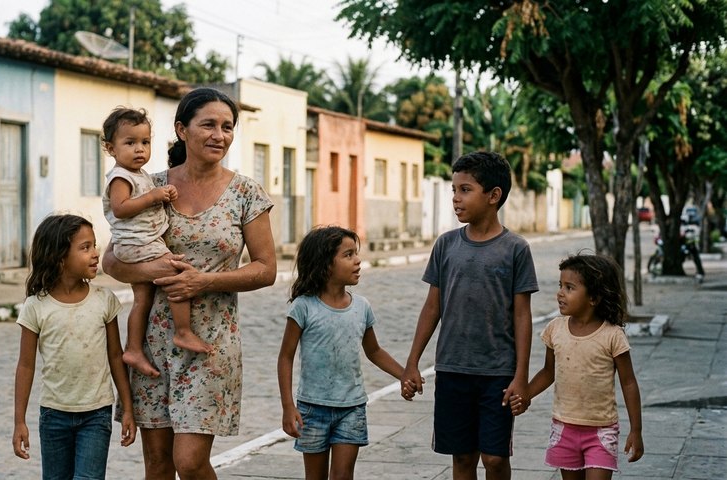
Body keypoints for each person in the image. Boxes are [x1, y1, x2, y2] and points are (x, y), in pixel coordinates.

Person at [102, 87, 276, 480]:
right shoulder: (148, 186)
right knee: (158, 464)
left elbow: (266, 269)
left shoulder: (246, 192)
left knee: (190, 462)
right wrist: (159, 272)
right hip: (151, 343)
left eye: (227, 127)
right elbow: (112, 260)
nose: (219, 135)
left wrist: (203, 282)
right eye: (209, 125)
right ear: (182, 130)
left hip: (210, 343)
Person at [400, 151, 539, 480]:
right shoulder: (446, 245)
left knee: (494, 459)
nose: (456, 198)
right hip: (452, 369)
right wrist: (412, 361)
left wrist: (521, 376)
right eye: (454, 190)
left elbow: (522, 317)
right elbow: (432, 307)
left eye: (465, 190)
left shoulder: (515, 249)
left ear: (493, 196)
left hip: (497, 373)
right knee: (462, 458)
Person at [278, 226, 411, 480]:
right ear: (325, 264)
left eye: (356, 253)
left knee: (342, 476)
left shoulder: (362, 307)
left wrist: (404, 375)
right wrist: (287, 406)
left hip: (352, 408)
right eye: (348, 255)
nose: (357, 260)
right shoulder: (303, 307)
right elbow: (286, 357)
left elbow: (374, 351)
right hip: (312, 409)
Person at [12, 214, 136, 478]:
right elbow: (25, 366)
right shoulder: (36, 306)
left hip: (96, 414)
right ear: (59, 257)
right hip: (53, 415)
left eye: (94, 245)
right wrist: (19, 421)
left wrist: (127, 407)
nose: (95, 253)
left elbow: (116, 356)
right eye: (85, 247)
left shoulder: (104, 300)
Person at [101, 107, 211, 379]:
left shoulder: (140, 174)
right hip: (138, 244)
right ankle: (183, 331)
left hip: (140, 242)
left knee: (142, 297)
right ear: (111, 148)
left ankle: (133, 349)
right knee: (176, 271)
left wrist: (161, 194)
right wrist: (153, 197)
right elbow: (120, 209)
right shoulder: (120, 177)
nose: (139, 149)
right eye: (130, 143)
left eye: (145, 142)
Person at [519, 253, 644, 479]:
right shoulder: (555, 329)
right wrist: (525, 394)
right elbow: (548, 372)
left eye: (569, 288)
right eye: (560, 286)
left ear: (593, 298)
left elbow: (628, 383)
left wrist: (636, 430)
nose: (560, 293)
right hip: (564, 427)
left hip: (601, 431)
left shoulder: (612, 335)